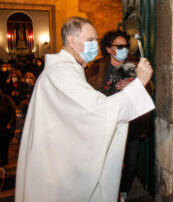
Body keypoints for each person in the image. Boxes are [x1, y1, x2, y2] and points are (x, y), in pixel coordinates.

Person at [15, 16, 155, 202]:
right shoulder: (61, 73)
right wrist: (140, 83)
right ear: (72, 41)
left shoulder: (68, 69)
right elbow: (99, 111)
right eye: (90, 40)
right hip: (60, 169)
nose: (94, 46)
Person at [85, 30, 153, 202]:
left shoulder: (135, 63)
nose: (124, 49)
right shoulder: (96, 67)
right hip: (106, 124)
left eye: (126, 46)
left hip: (132, 123)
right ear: (108, 49)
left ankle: (123, 192)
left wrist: (133, 84)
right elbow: (87, 93)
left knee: (131, 162)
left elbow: (150, 87)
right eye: (120, 46)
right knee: (107, 163)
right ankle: (105, 192)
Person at [0, 88, 16, 166]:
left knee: (4, 145)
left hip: (5, 126)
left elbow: (13, 112)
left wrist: (10, 123)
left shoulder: (7, 99)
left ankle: (4, 161)